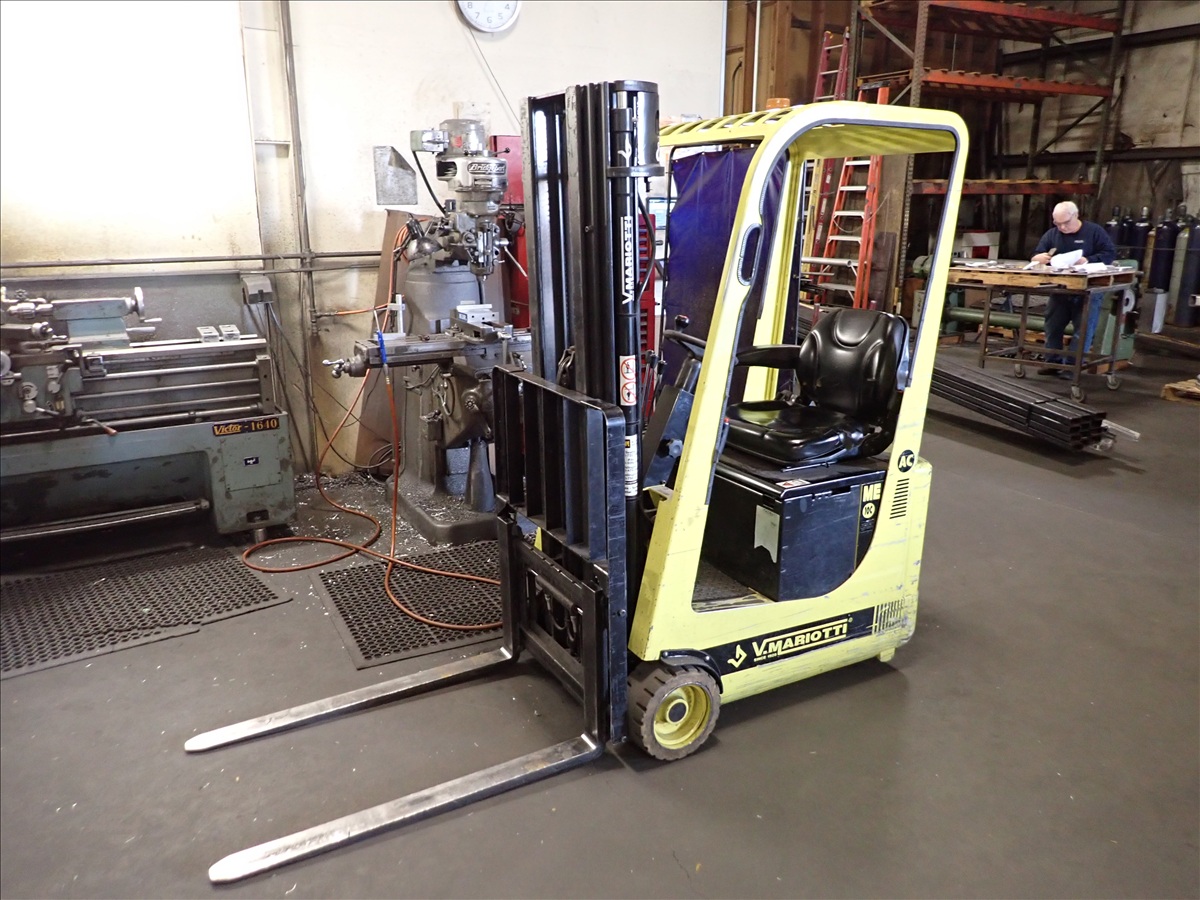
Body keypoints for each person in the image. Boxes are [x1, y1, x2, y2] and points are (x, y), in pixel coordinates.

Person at [1030, 201, 1117, 375]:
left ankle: (1072, 366)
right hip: (1060, 289)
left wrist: (1088, 260)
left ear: (1075, 215)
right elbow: (1036, 254)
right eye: (1058, 224)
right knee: (1053, 326)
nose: (1062, 227)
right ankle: (1052, 361)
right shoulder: (1052, 235)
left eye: (1066, 223)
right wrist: (1037, 258)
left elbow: (1109, 253)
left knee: (1082, 329)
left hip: (1088, 290)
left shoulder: (1094, 232)